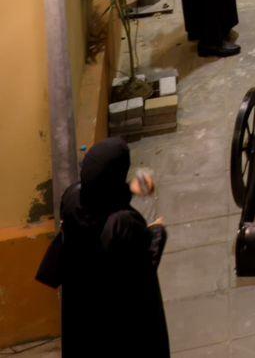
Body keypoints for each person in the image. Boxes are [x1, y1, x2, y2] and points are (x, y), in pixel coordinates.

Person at [34, 139, 170, 354]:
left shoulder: (72, 197)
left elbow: (101, 197)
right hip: (117, 321)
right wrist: (157, 232)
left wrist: (131, 188)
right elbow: (143, 268)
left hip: (84, 312)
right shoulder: (124, 223)